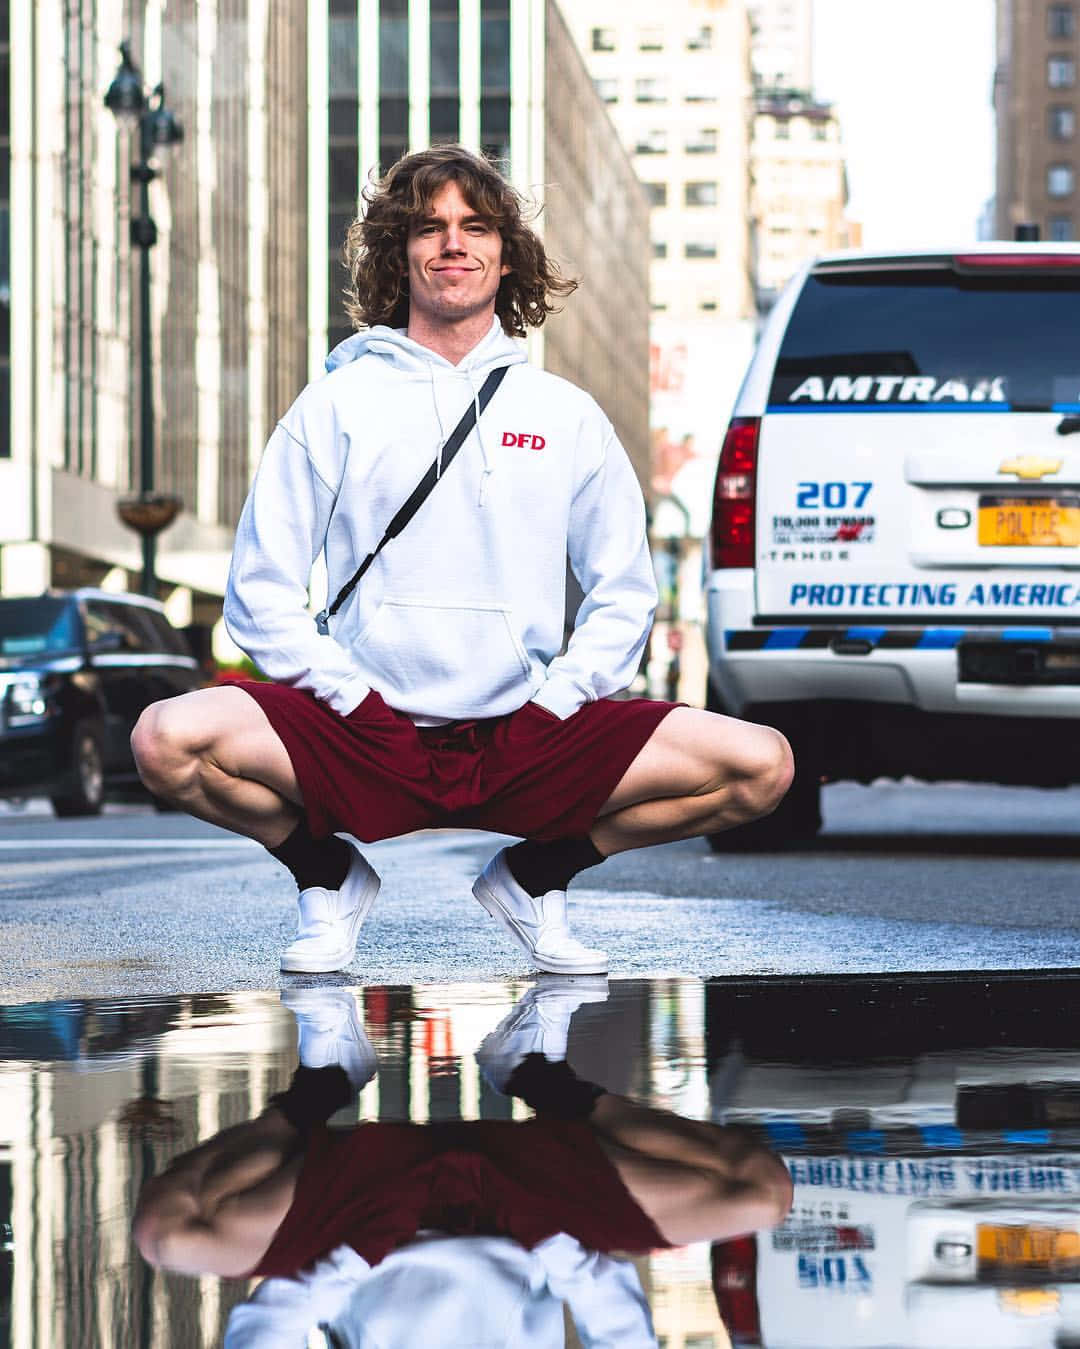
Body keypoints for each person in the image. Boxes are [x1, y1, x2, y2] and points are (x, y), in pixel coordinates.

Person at [130, 145, 793, 976]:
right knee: (164, 740)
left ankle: (535, 877)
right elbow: (260, 592)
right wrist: (350, 696)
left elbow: (624, 593)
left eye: (476, 227)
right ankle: (326, 876)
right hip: (365, 728)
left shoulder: (563, 413)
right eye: (430, 227)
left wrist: (557, 701)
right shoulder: (336, 401)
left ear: (504, 254)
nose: (453, 243)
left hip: (525, 728)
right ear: (399, 252)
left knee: (761, 765)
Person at [131, 991, 793, 1294]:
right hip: (529, 1210)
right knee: (763, 1192)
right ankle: (548, 1082)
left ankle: (317, 1095)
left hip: (368, 1224)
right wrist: (574, 1264)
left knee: (164, 1232)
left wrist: (327, 1280)